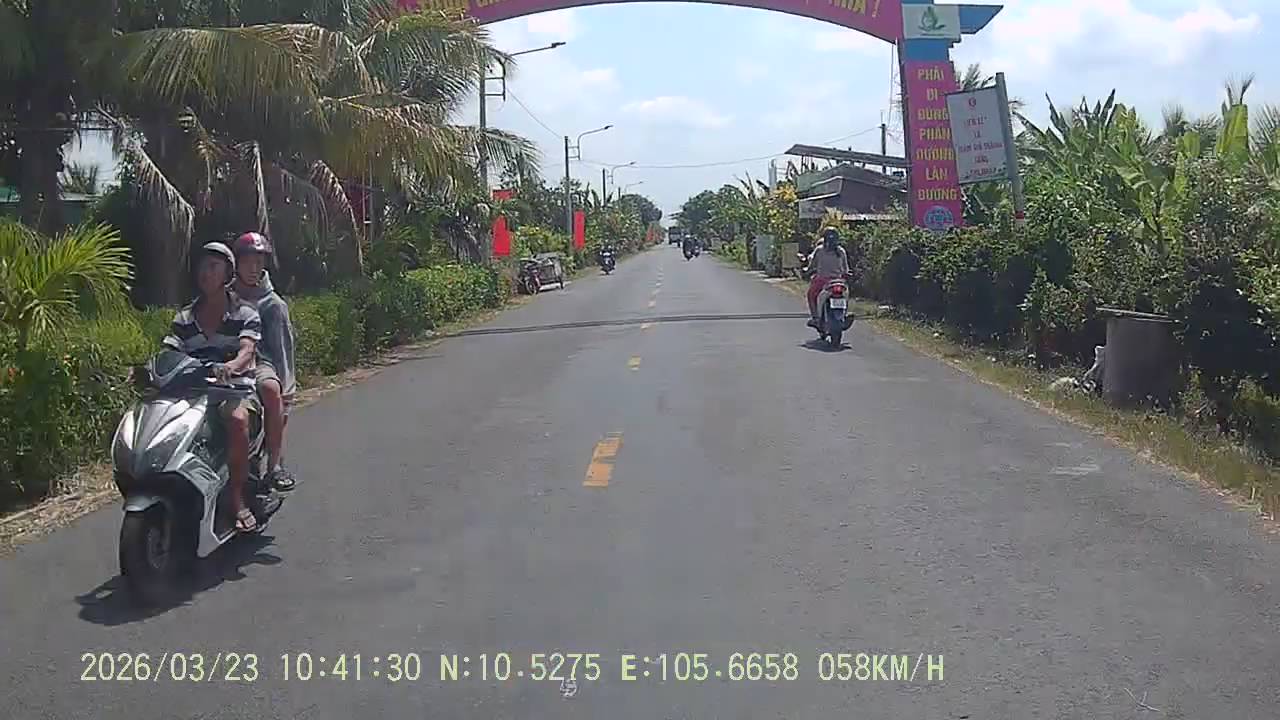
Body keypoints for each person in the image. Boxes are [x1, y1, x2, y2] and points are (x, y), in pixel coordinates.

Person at [162, 242, 263, 532]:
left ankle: (236, 498)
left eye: (213, 267)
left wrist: (231, 366)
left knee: (237, 419)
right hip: (192, 395)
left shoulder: (245, 313)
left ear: (228, 273)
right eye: (202, 266)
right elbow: (169, 352)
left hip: (235, 391)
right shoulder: (184, 318)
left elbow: (247, 350)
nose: (205, 273)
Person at [232, 231, 298, 492]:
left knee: (271, 390)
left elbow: (282, 350)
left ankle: (274, 466)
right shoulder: (224, 296)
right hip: (223, 361)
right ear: (236, 263)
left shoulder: (273, 305)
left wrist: (286, 393)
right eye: (247, 261)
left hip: (260, 363)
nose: (253, 268)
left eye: (258, 262)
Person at [806, 227, 850, 328]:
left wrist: (807, 270)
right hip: (839, 281)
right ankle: (843, 315)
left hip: (822, 281)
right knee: (846, 294)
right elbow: (845, 269)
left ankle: (815, 318)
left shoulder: (819, 250)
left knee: (811, 295)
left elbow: (812, 265)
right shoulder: (841, 251)